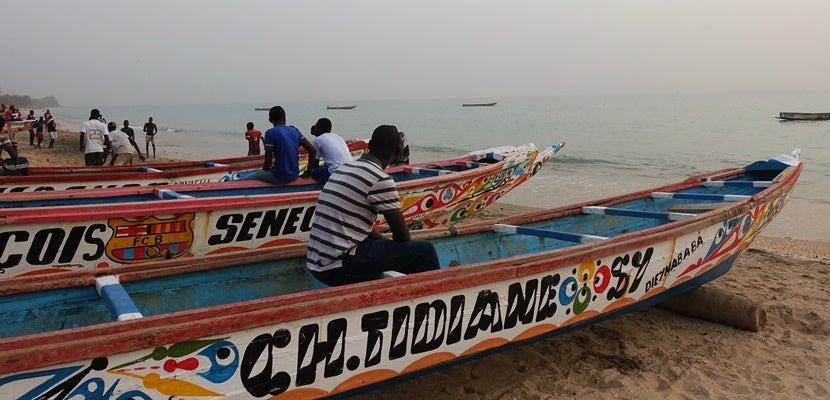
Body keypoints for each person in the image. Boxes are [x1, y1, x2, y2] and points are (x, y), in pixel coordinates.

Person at [306, 124, 440, 286]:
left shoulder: (344, 168)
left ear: (369, 146)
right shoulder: (380, 179)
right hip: (337, 266)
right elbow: (402, 237)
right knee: (425, 252)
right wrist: (393, 249)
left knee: (383, 249)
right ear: (399, 152)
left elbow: (358, 224)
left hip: (315, 262)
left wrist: (384, 244)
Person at [241, 106, 316, 184]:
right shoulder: (295, 130)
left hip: (281, 177)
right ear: (284, 117)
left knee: (257, 174)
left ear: (270, 120)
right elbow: (313, 150)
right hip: (294, 174)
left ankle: (233, 184)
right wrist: (308, 172)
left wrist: (264, 173)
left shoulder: (270, 133)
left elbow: (268, 163)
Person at [307, 117, 352, 183]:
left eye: (316, 127)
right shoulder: (338, 137)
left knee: (312, 172)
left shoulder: (318, 140)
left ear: (319, 128)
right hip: (350, 169)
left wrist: (308, 172)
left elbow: (315, 164)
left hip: (336, 172)